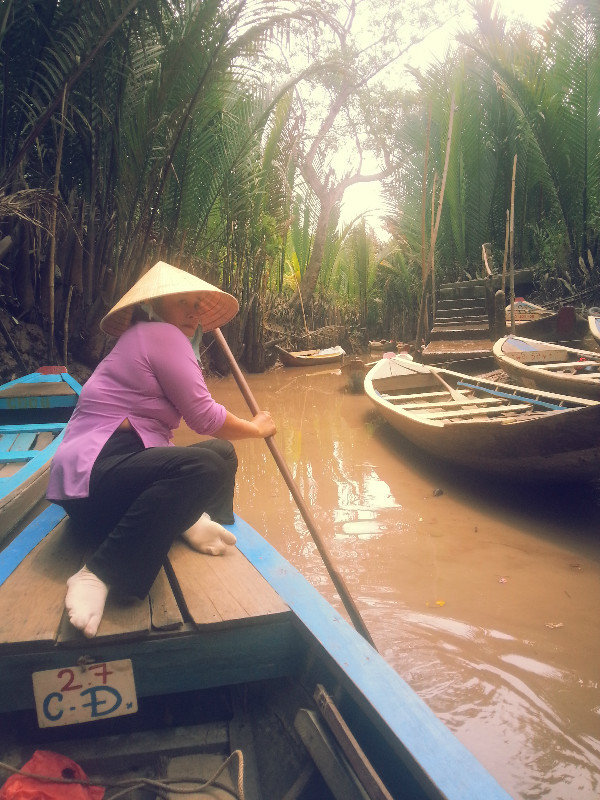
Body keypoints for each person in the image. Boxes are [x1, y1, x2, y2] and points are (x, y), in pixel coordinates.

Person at [46, 260, 276, 638]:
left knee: (221, 453)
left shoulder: (148, 338)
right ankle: (101, 573)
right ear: (153, 307)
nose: (194, 311)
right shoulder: (161, 335)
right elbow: (204, 416)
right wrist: (256, 427)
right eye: (181, 301)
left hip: (108, 483)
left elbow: (198, 424)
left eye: (197, 303)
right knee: (205, 467)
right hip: (95, 482)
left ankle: (190, 520)